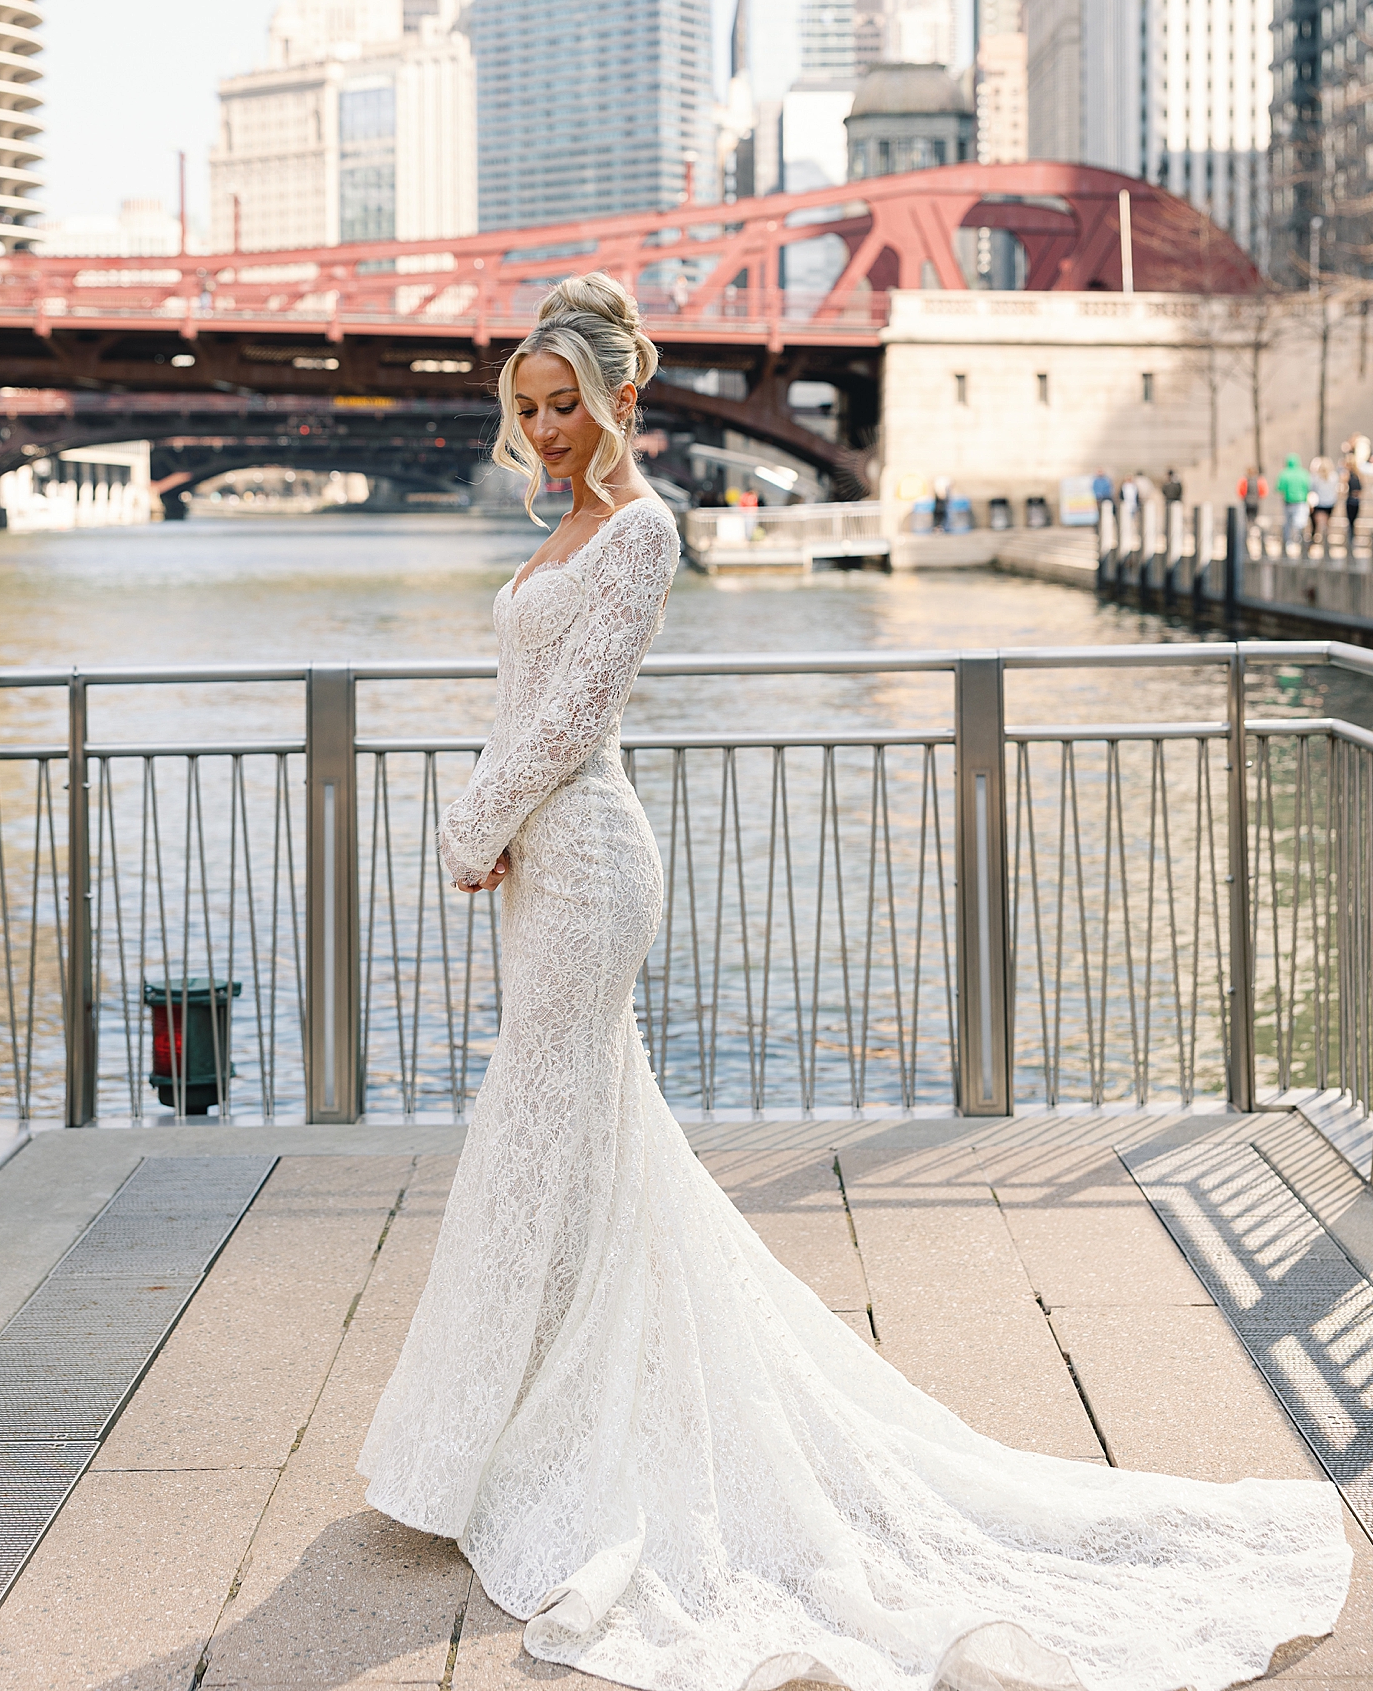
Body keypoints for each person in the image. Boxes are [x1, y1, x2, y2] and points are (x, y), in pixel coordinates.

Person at [356, 272, 1350, 1691]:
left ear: (619, 397)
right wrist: (493, 832)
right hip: (536, 868)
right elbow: (522, 704)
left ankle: (532, 1444)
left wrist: (467, 828)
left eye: (564, 403)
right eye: (526, 409)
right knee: (576, 1143)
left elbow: (576, 714)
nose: (546, 428)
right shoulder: (560, 526)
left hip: (583, 867)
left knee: (537, 1124)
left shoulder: (641, 532)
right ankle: (526, 1423)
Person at [1278, 453, 1311, 552]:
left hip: (1288, 502)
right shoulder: (1303, 473)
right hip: (1301, 501)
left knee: (1288, 523)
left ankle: (1288, 542)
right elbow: (1309, 486)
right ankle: (1298, 541)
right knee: (1299, 523)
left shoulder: (1284, 473)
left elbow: (1279, 488)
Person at [1309, 457, 1340, 553]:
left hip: (1320, 503)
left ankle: (1318, 542)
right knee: (1326, 524)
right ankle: (1325, 542)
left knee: (1319, 525)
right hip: (1330, 503)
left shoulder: (1316, 477)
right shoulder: (1334, 476)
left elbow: (1311, 488)